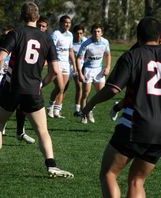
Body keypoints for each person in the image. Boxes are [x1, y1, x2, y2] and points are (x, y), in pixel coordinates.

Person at [0, 2, 74, 178]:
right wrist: (42, 84)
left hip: (11, 88)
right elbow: (55, 71)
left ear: (21, 17)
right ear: (38, 18)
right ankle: (51, 165)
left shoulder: (16, 34)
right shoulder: (47, 38)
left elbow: (1, 57)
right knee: (42, 131)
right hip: (33, 90)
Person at [81, 17, 161, 197]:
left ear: (137, 36)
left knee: (109, 174)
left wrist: (90, 103)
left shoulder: (133, 56)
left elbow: (113, 89)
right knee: (137, 180)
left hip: (136, 125)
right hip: (159, 132)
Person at [13, 15, 50, 144]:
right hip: (18, 78)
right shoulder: (25, 36)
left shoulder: (46, 40)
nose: (41, 28)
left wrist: (42, 84)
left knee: (22, 107)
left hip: (33, 81)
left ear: (46, 28)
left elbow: (48, 63)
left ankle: (19, 131)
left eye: (43, 26)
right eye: (39, 25)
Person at [77, 23, 111, 124]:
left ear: (102, 33)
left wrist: (108, 67)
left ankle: (89, 109)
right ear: (91, 32)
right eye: (94, 31)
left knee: (101, 93)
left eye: (98, 31)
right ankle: (83, 115)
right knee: (85, 94)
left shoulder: (105, 42)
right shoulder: (86, 43)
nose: (96, 33)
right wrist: (80, 73)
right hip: (88, 70)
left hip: (99, 70)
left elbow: (108, 55)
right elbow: (78, 58)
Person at [47, 15, 76, 118]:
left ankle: (57, 111)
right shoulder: (56, 34)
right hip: (57, 63)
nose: (67, 24)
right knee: (60, 87)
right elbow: (51, 49)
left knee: (63, 89)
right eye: (65, 22)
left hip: (66, 64)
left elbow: (70, 50)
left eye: (69, 22)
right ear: (61, 23)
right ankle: (50, 106)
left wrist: (74, 65)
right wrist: (50, 62)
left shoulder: (70, 35)